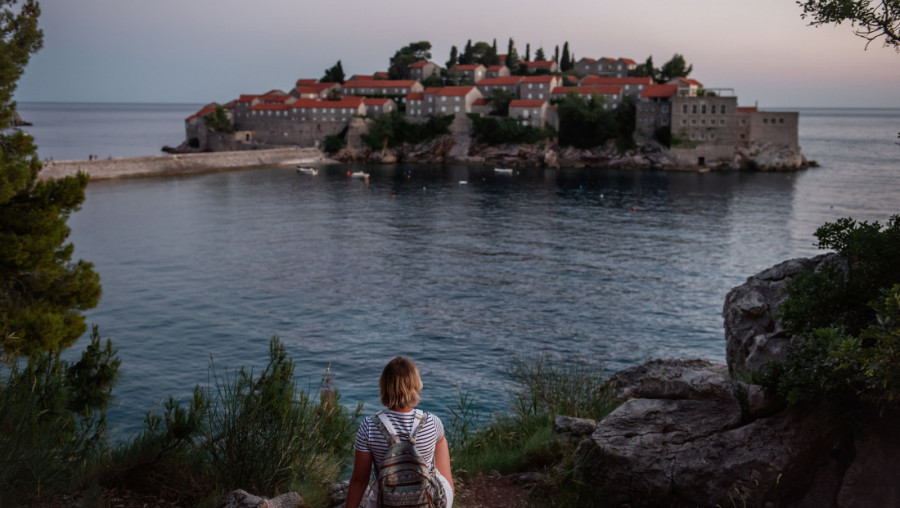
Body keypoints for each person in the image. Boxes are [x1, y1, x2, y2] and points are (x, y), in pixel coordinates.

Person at [345, 356, 453, 508]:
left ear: (384, 386)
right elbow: (446, 474)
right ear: (416, 384)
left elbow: (360, 480)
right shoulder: (432, 422)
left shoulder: (369, 426)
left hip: (387, 503)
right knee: (438, 473)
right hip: (426, 502)